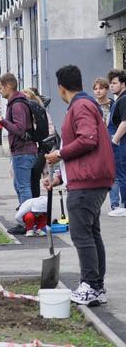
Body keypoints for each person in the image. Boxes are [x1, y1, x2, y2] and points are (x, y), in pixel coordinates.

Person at [45, 65, 114, 306]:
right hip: (88, 178)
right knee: (92, 234)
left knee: (82, 235)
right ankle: (96, 286)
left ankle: (90, 285)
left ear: (61, 87)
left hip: (87, 182)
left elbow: (88, 139)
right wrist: (61, 178)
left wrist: (60, 154)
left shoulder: (81, 106)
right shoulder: (84, 105)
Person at [0, 73, 38, 234]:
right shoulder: (18, 102)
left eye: (0, 88)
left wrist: (2, 121)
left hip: (23, 151)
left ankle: (27, 223)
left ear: (8, 86)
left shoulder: (17, 105)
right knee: (20, 185)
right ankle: (27, 220)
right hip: (23, 151)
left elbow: (19, 129)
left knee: (23, 187)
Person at [93, 76, 121, 213]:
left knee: (114, 172)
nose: (98, 91)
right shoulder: (92, 105)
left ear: (106, 89)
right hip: (97, 141)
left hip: (112, 139)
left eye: (101, 88)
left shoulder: (113, 104)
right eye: (95, 89)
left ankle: (115, 204)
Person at [23, 88, 55, 199]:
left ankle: (34, 201)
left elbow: (49, 130)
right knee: (27, 178)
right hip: (27, 149)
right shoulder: (23, 114)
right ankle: (27, 201)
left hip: (40, 148)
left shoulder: (41, 111)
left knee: (34, 176)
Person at [107, 69, 126, 216]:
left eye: (114, 83)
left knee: (122, 174)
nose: (111, 86)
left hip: (121, 143)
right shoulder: (119, 99)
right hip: (119, 142)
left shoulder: (124, 99)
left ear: (123, 84)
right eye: (110, 83)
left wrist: (114, 140)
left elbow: (124, 123)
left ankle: (124, 205)